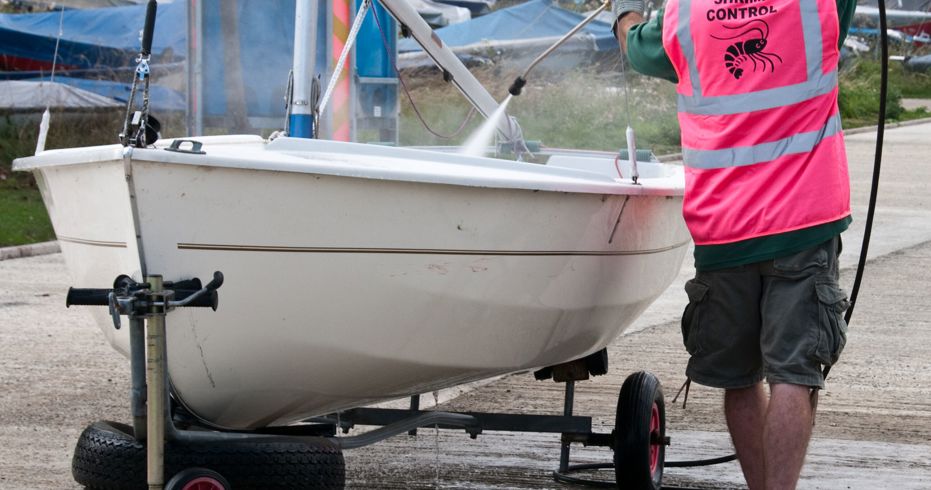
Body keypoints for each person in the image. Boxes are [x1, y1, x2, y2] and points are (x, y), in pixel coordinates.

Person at [610, 0, 856, 488]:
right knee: (795, 374)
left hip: (723, 223)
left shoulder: (687, 13)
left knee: (740, 379)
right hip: (803, 219)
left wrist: (624, 16)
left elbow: (638, 50)